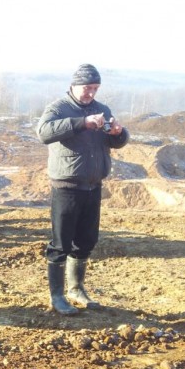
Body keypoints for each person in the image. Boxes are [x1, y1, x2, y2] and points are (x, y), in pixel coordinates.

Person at [36, 64, 130, 315]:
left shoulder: (102, 109)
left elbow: (114, 141)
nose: (91, 93)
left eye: (95, 88)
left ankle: (76, 289)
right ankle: (57, 296)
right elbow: (43, 133)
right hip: (67, 186)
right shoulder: (58, 108)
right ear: (74, 86)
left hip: (93, 185)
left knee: (86, 241)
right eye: (87, 88)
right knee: (61, 243)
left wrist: (119, 133)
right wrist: (81, 123)